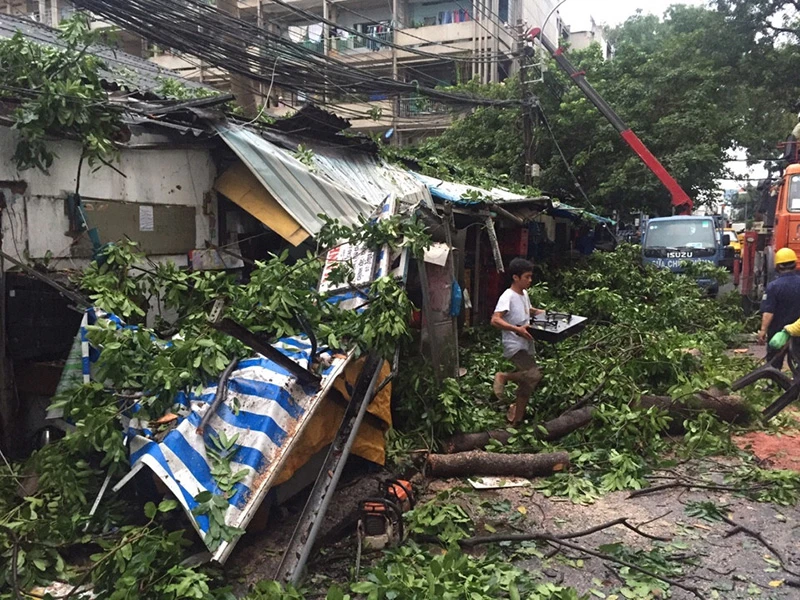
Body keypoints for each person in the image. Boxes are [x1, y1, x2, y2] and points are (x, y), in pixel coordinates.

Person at [490, 258, 546, 425]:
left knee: (527, 385)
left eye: (530, 277)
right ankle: (503, 377)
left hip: (526, 343)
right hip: (514, 345)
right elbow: (495, 320)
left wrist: (542, 313)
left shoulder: (524, 294)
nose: (530, 280)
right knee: (534, 374)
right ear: (515, 277)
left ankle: (516, 420)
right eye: (527, 277)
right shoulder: (507, 296)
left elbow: (527, 310)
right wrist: (517, 330)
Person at [758, 248, 800, 367]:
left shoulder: (774, 286)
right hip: (798, 332)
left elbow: (768, 312)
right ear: (795, 264)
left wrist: (763, 330)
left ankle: (773, 384)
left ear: (778, 266)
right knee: (798, 363)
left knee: (773, 364)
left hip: (778, 333)